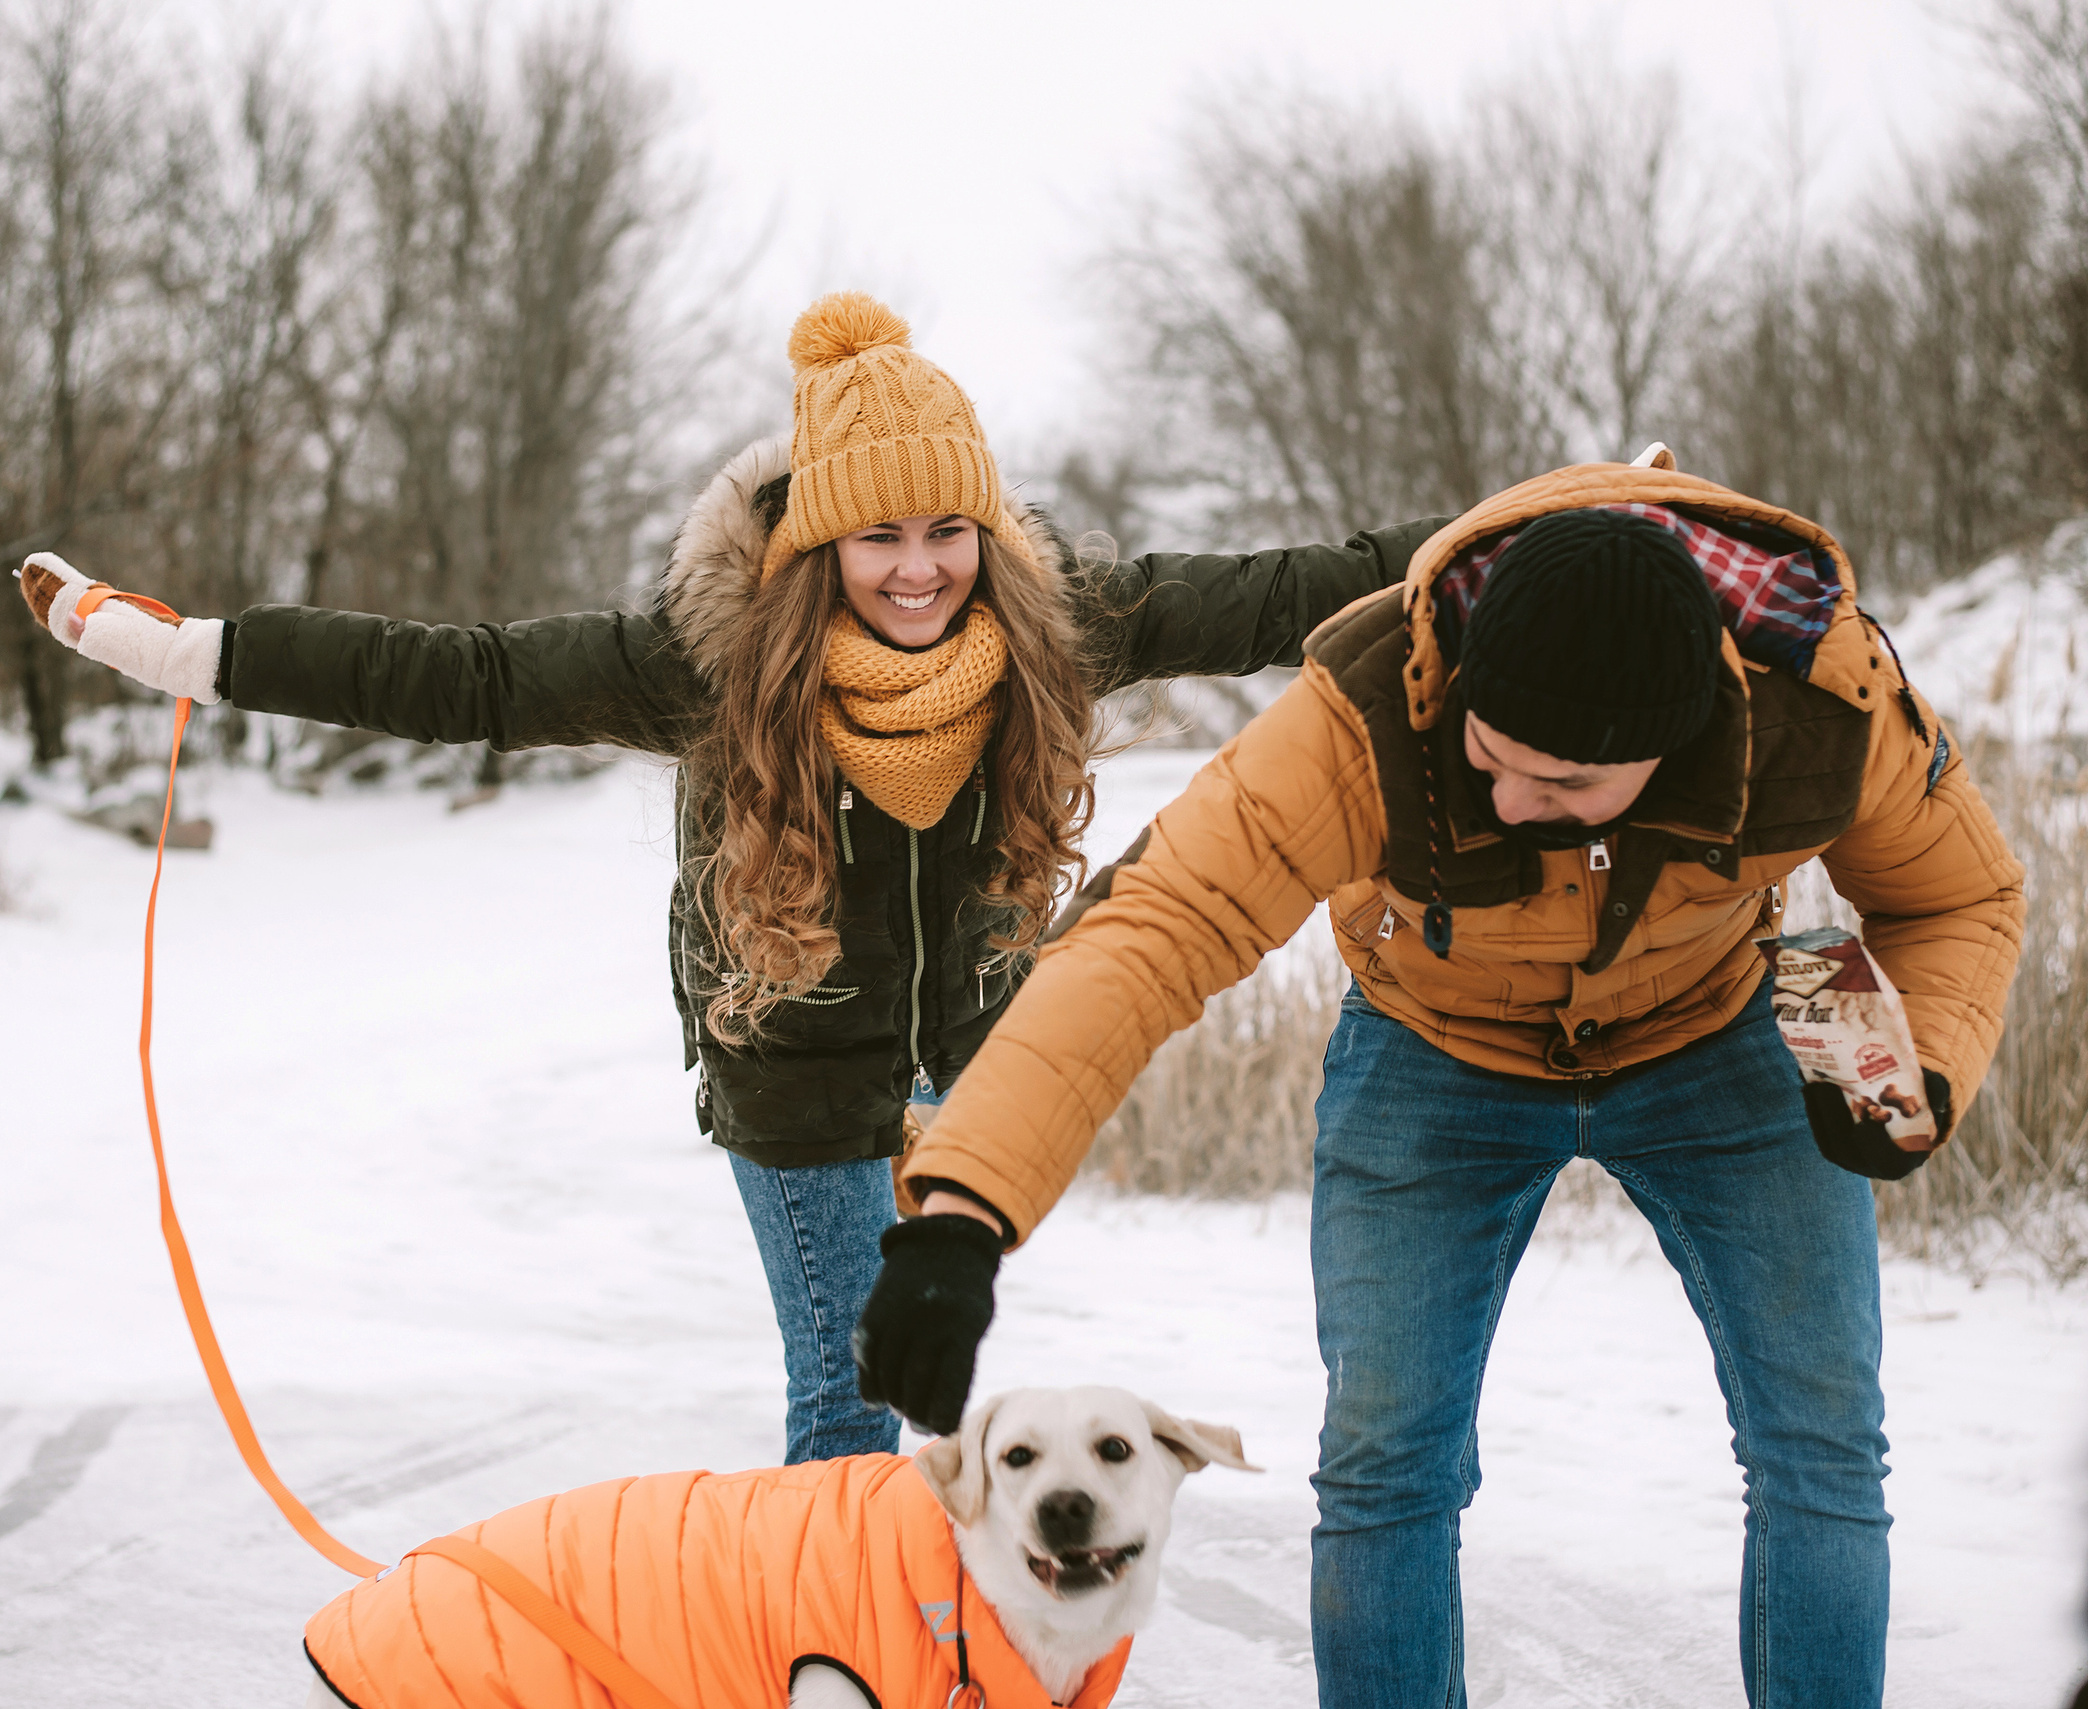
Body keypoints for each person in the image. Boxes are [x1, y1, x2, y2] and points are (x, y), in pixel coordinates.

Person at [21, 290, 1447, 1466]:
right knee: (844, 1399)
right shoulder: (710, 658)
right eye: (878, 536)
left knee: (929, 1390)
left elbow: (1282, 590)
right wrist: (193, 651)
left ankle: (904, 1635)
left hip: (972, 1064)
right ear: (819, 537)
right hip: (791, 1072)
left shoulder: (1049, 626)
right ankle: (839, 1659)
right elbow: (461, 677)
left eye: (945, 531)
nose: (917, 569)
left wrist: (1528, 540)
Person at [854, 461, 2025, 1707]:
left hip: (1714, 1026)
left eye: (1566, 785)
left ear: (1674, 741)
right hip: (1433, 1045)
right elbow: (1153, 932)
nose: (1514, 799)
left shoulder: (1821, 707)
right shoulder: (1367, 708)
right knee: (1382, 1461)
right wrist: (964, 1214)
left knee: (1823, 1442)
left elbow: (1958, 894)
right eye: (1491, 755)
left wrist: (1914, 1066)